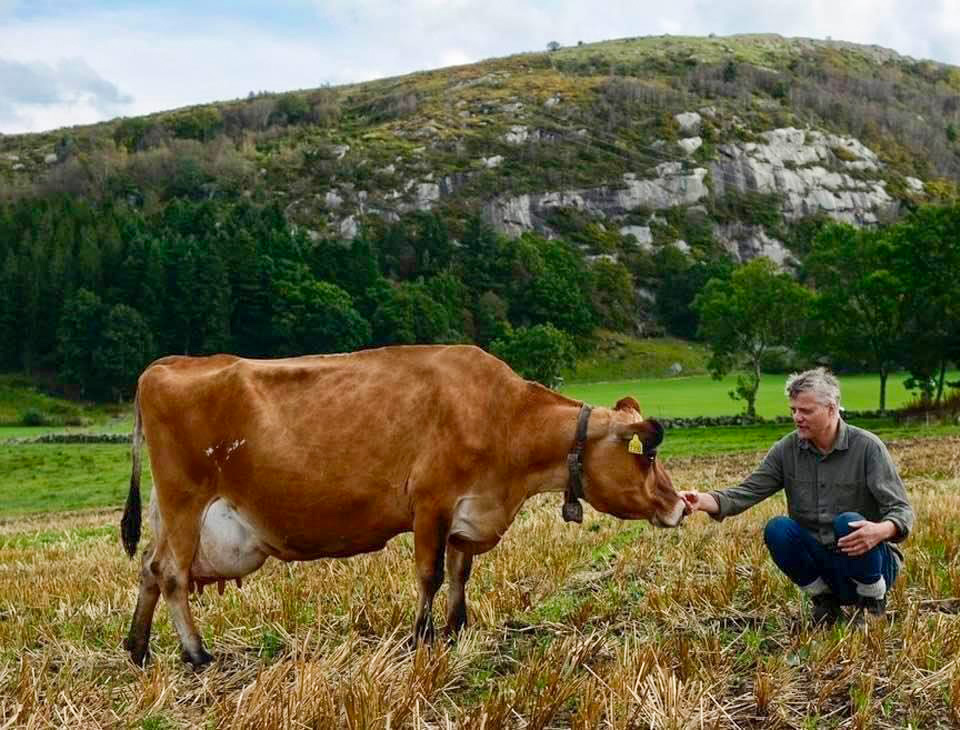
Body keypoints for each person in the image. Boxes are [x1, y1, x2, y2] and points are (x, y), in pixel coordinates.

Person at [680, 368, 914, 625]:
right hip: (823, 562)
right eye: (794, 410)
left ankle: (871, 603)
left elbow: (901, 510)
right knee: (777, 530)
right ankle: (826, 601)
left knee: (848, 523)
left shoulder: (868, 447)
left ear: (832, 408)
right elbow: (746, 492)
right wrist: (701, 501)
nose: (797, 417)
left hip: (871, 564)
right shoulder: (786, 450)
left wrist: (880, 530)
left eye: (806, 411)